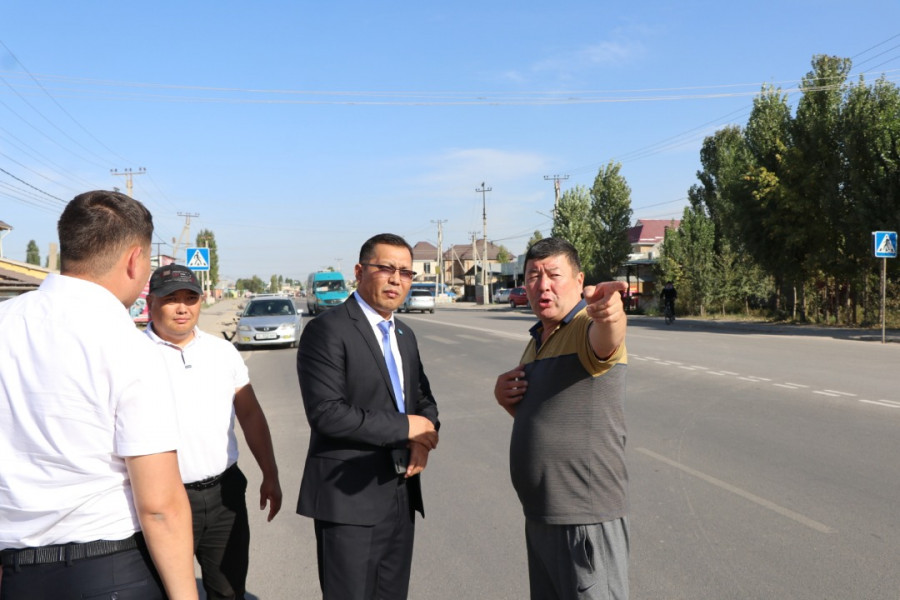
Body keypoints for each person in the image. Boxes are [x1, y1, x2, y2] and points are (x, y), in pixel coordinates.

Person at [0, 190, 197, 599]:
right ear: (134, 259)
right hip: (109, 570)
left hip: (16, 572)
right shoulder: (127, 345)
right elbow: (160, 506)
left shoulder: (6, 321)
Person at [296, 233, 440, 599]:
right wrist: (406, 427)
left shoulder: (404, 334)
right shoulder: (327, 329)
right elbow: (327, 413)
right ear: (359, 272)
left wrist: (423, 438)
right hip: (349, 501)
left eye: (405, 272)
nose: (396, 279)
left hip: (401, 494)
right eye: (386, 268)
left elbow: (422, 398)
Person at [494, 237, 630, 600]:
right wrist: (505, 398)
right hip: (542, 516)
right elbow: (544, 415)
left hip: (583, 518)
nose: (543, 285)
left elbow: (608, 338)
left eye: (554, 274)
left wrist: (611, 315)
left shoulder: (585, 325)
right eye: (533, 276)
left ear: (579, 279)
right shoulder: (539, 338)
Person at [144, 264, 283, 600]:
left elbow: (250, 414)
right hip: (161, 501)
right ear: (150, 303)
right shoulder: (132, 355)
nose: (182, 308)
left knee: (229, 590)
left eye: (190, 298)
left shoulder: (222, 352)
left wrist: (270, 474)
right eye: (171, 299)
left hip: (224, 496)